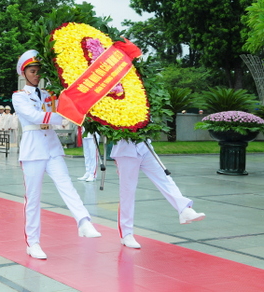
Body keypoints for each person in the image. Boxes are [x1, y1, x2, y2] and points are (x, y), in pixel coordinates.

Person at [12, 50, 101, 260]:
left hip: (52, 147)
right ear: (24, 73)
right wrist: (60, 117)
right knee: (33, 198)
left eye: (38, 72)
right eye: (32, 71)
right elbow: (33, 116)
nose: (36, 75)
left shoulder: (49, 94)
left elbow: (65, 103)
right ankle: (33, 242)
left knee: (66, 184)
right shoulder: (19, 96)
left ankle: (83, 222)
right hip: (33, 150)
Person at [110, 139, 206, 249]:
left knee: (165, 178)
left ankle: (184, 209)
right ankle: (126, 233)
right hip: (125, 151)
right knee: (127, 192)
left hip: (144, 147)